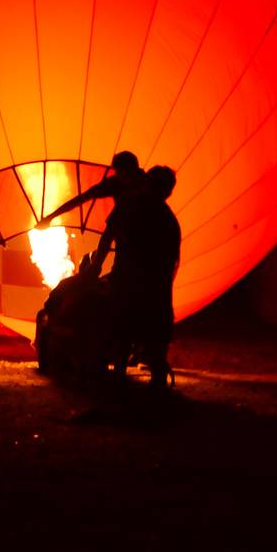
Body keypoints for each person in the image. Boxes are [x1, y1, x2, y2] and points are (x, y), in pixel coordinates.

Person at [93, 164, 181, 391]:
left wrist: (95, 267)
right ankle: (157, 383)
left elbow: (107, 238)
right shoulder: (168, 219)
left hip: (128, 280)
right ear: (168, 191)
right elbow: (173, 261)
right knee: (154, 334)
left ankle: (120, 376)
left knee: (122, 327)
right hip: (154, 286)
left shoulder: (128, 207)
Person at [36, 150, 146, 228]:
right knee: (116, 218)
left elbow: (82, 198)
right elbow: (82, 198)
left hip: (144, 230)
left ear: (128, 170)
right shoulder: (115, 183)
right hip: (128, 233)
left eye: (119, 172)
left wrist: (50, 218)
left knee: (116, 217)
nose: (118, 175)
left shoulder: (148, 184)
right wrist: (51, 217)